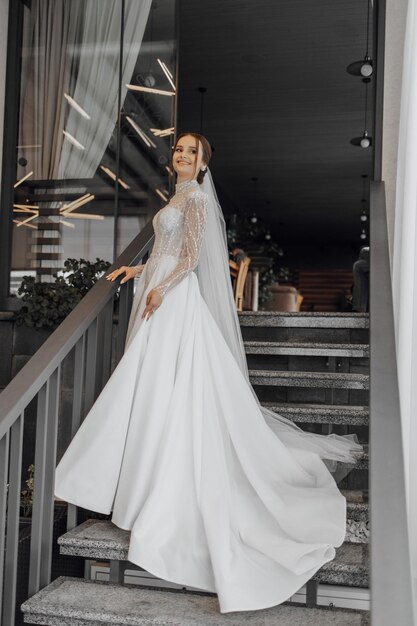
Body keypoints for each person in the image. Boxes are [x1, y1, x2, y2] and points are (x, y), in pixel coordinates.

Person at [55, 133, 363, 614]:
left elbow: (192, 256)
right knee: (151, 390)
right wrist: (136, 274)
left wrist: (162, 288)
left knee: (165, 389)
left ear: (202, 164)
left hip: (175, 302)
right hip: (156, 288)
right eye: (178, 149)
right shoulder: (175, 195)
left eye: (190, 152)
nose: (181, 155)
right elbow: (167, 247)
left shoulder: (194, 196)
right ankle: (137, 483)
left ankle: (152, 488)